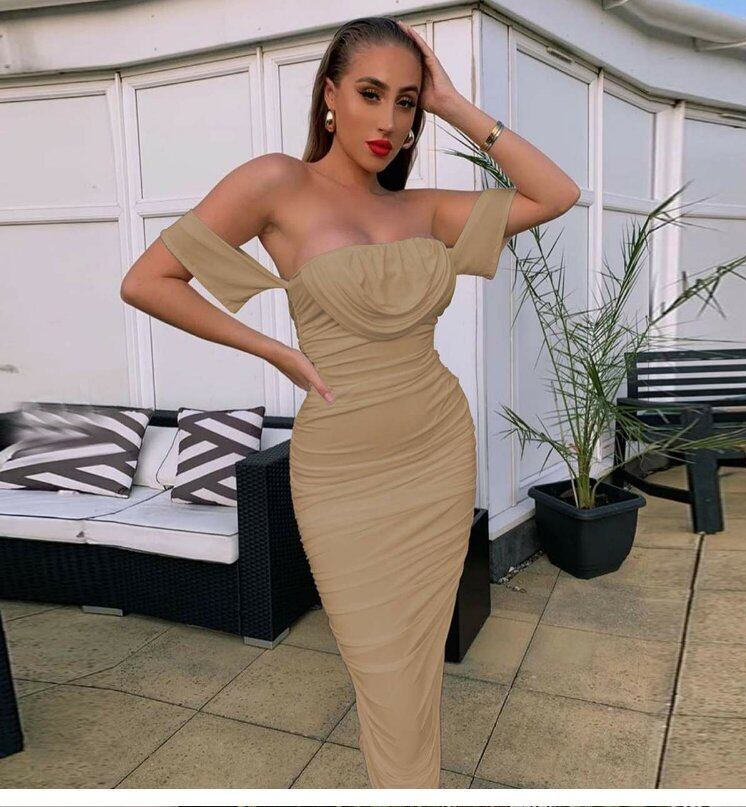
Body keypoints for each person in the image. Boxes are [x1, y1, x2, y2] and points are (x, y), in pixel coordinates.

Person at [121, 15, 579, 789]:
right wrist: (273, 349)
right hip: (341, 470)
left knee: (416, 666)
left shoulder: (422, 209)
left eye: (407, 103)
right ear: (330, 95)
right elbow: (147, 281)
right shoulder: (276, 183)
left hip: (436, 451)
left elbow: (557, 193)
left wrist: (454, 103)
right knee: (381, 665)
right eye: (371, 94)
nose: (389, 121)